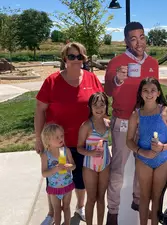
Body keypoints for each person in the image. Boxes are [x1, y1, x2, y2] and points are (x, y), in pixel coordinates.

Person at [35, 42, 103, 225]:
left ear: (84, 59)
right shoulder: (51, 81)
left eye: (79, 56)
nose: (75, 60)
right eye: (71, 56)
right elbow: (40, 110)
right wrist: (39, 140)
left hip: (83, 143)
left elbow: (100, 106)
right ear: (64, 58)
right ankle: (51, 212)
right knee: (54, 178)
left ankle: (79, 207)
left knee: (80, 178)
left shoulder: (92, 79)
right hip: (58, 143)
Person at [104, 22, 159, 225]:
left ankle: (138, 201)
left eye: (142, 37)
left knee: (143, 165)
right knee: (118, 169)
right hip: (123, 121)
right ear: (126, 40)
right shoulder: (116, 62)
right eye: (133, 38)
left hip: (145, 121)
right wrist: (118, 79)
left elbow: (155, 92)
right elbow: (108, 91)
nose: (138, 42)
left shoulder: (153, 63)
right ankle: (113, 211)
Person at [126, 77, 167, 225]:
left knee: (157, 197)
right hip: (143, 159)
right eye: (145, 90)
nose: (149, 93)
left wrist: (164, 147)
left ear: (158, 93)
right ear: (141, 93)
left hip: (162, 159)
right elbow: (129, 140)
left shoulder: (166, 112)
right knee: (144, 196)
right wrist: (142, 152)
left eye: (152, 90)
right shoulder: (136, 114)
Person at [77, 92, 111, 225]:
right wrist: (90, 153)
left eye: (102, 104)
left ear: (106, 106)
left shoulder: (108, 123)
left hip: (105, 164)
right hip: (90, 166)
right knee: (91, 198)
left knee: (101, 198)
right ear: (90, 107)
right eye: (95, 105)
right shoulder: (86, 126)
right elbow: (79, 147)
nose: (99, 108)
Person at [41, 124, 76, 225]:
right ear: (48, 140)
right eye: (57, 137)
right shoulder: (45, 155)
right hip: (54, 188)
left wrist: (70, 166)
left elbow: (74, 166)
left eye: (61, 136)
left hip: (67, 186)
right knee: (57, 210)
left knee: (66, 207)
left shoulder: (65, 151)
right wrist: (56, 168)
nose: (61, 138)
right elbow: (44, 173)